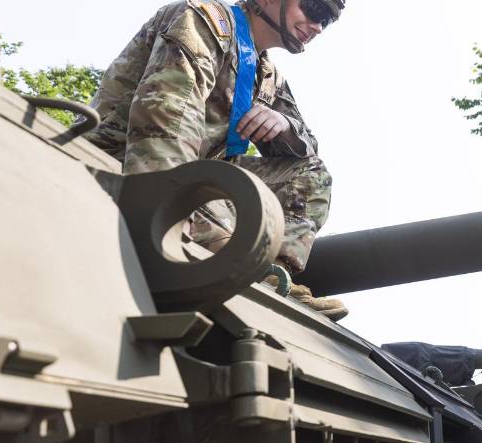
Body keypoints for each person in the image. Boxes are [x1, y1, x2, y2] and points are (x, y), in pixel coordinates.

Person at [86, 0, 347, 320]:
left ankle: (272, 277)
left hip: (198, 175)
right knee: (186, 166)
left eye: (328, 20)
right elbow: (164, 127)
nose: (318, 26)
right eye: (314, 9)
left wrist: (284, 127)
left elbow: (308, 153)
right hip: (122, 160)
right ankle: (249, 266)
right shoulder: (202, 22)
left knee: (312, 175)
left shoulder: (267, 77)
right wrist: (226, 241)